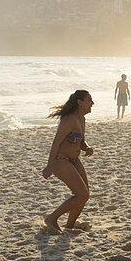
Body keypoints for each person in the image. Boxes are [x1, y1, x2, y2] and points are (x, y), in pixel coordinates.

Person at [42, 90, 95, 231]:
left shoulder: (81, 119)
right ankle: (52, 218)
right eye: (89, 100)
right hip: (61, 161)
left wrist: (87, 147)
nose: (92, 103)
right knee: (81, 194)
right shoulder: (69, 120)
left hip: (74, 160)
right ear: (80, 102)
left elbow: (80, 140)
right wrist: (49, 166)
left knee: (84, 195)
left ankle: (70, 226)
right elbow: (56, 143)